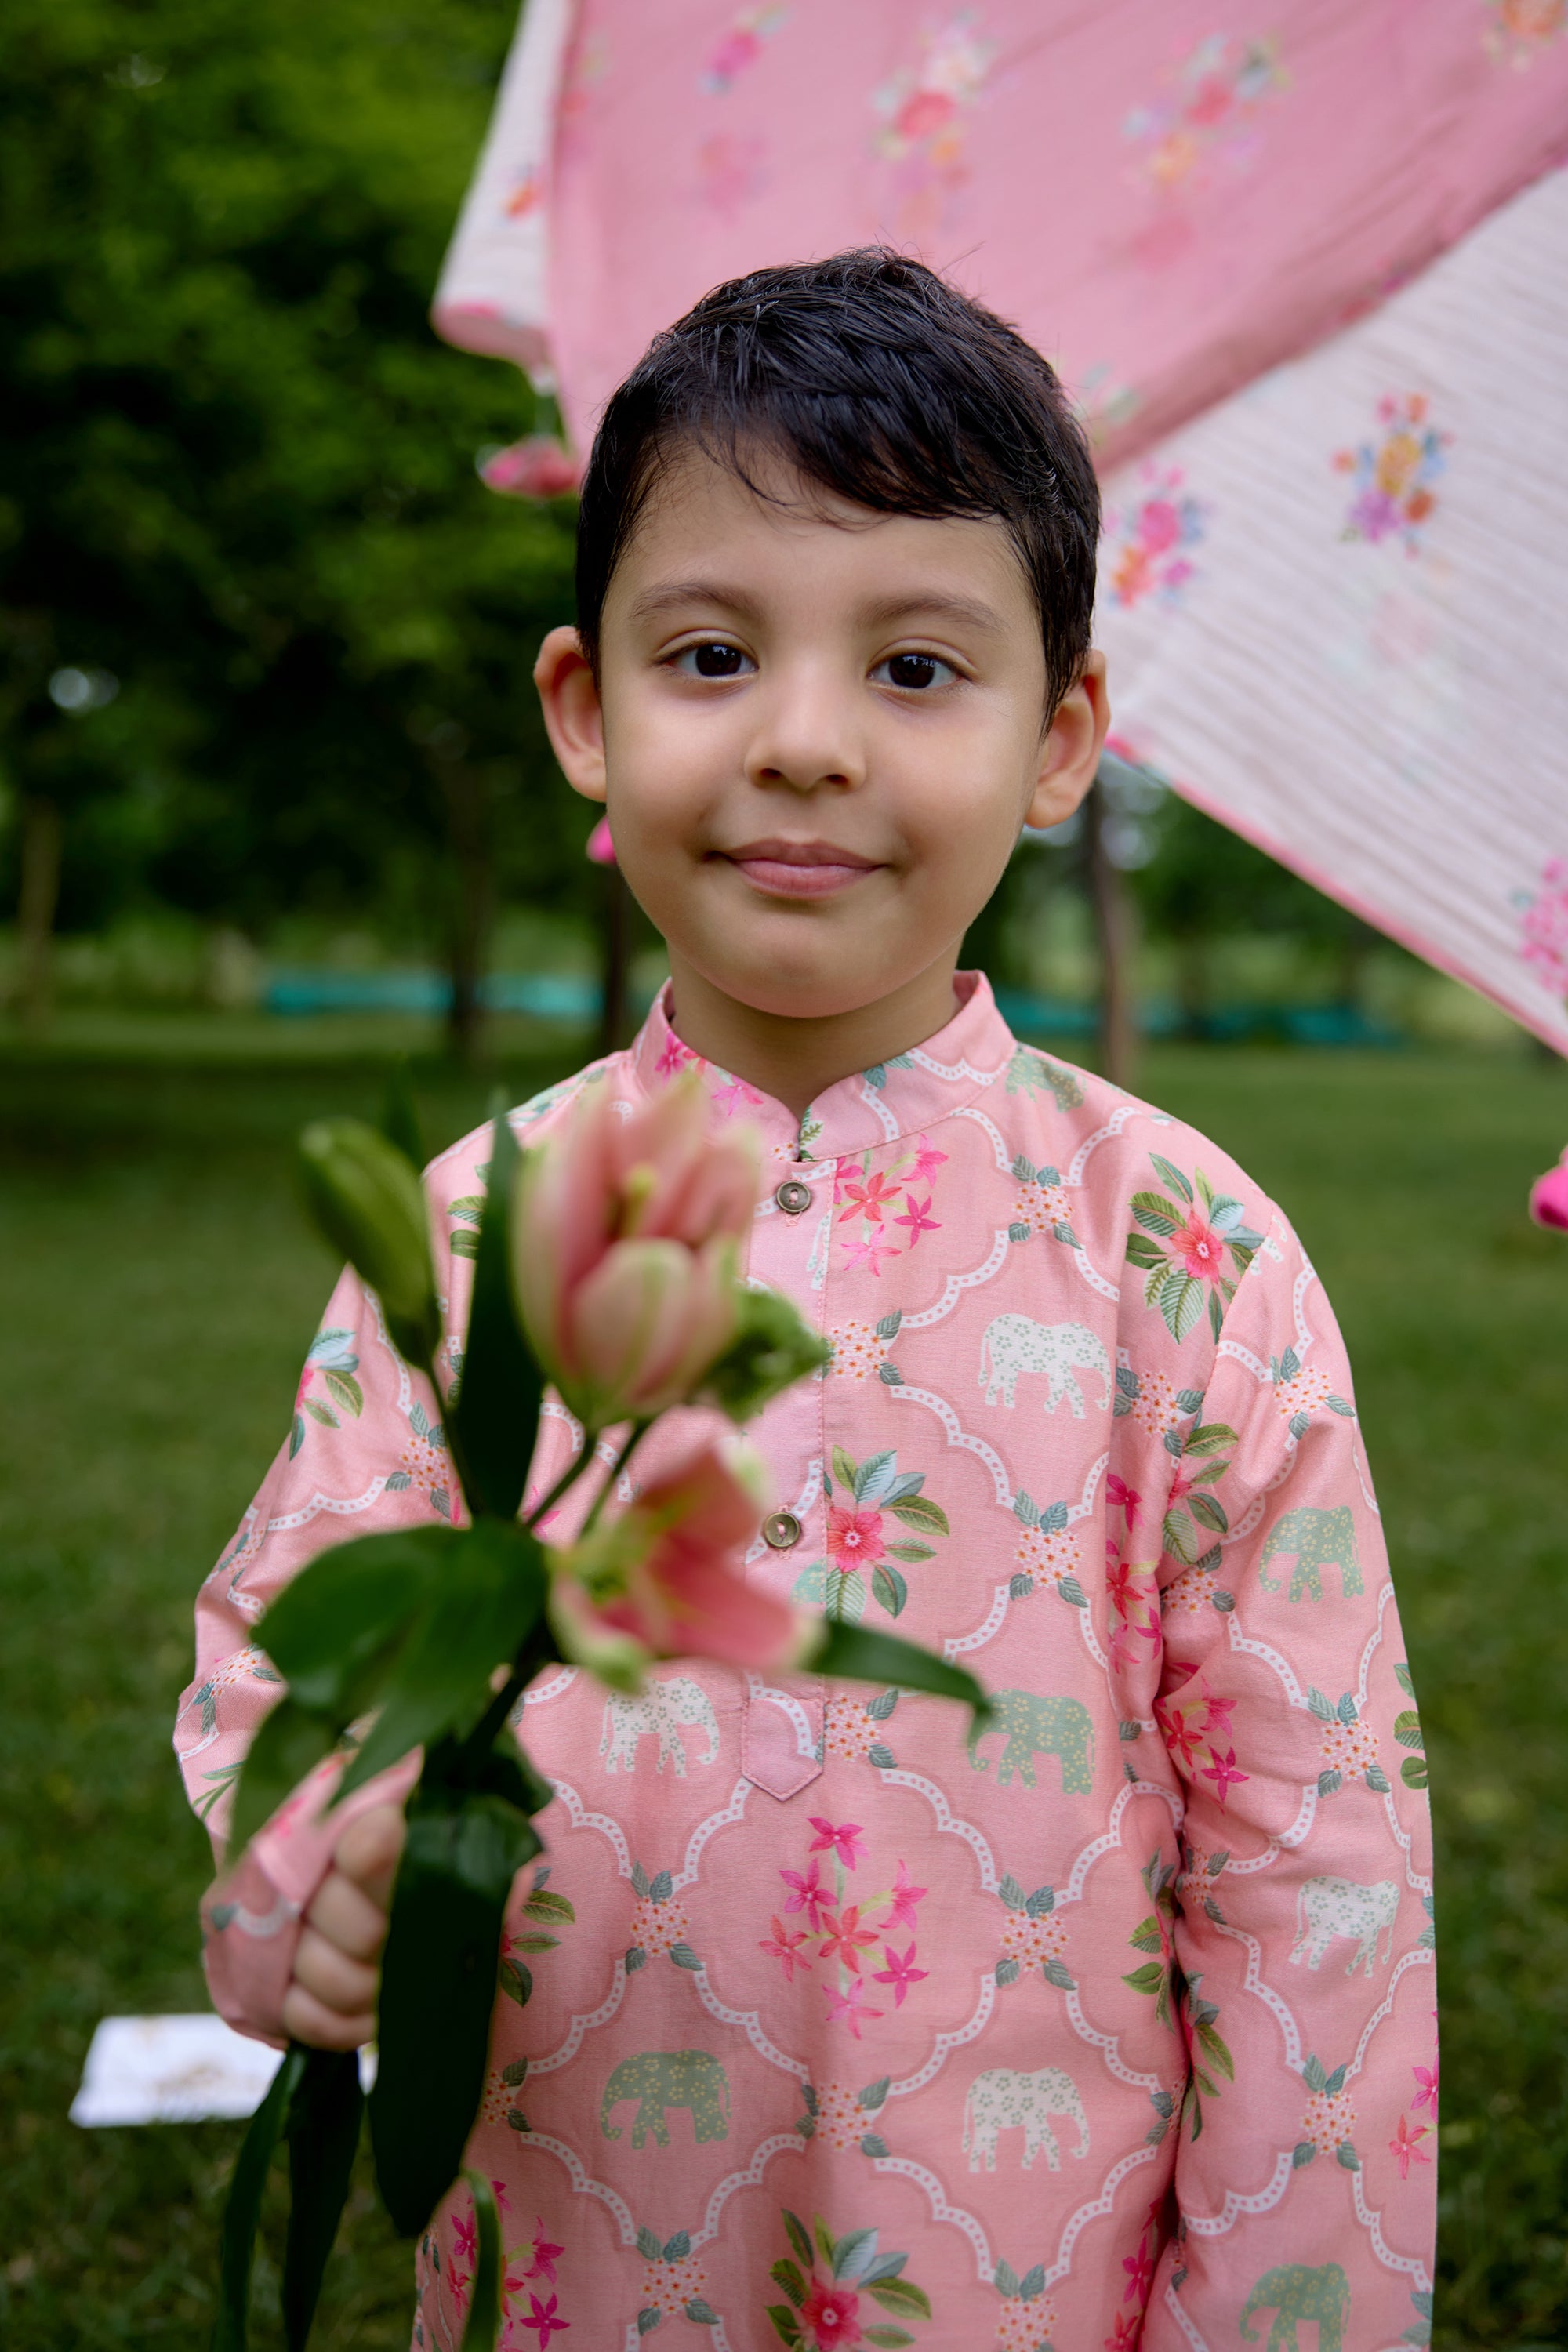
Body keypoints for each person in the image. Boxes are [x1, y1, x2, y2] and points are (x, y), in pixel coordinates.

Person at [179, 251, 1436, 2347]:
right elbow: (306, 1644)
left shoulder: (1188, 1257)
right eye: (712, 652)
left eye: (919, 669)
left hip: (1027, 2278)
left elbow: (1324, 1868)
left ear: (1066, 739)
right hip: (576, 2246)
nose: (806, 744)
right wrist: (311, 1879)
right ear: (587, 712)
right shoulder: (488, 1229)